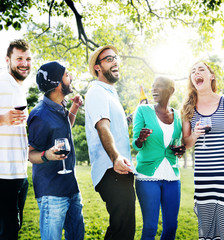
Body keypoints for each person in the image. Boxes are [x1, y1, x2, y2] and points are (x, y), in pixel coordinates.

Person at [181, 61, 224, 240]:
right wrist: (194, 135)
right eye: (193, 71)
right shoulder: (188, 108)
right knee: (207, 225)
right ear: (192, 80)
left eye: (201, 69)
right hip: (203, 174)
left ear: (211, 76)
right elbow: (186, 143)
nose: (197, 73)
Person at [27, 61, 85, 240]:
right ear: (57, 83)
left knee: (76, 236)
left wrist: (74, 107)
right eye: (67, 75)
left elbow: (63, 131)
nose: (71, 78)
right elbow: (31, 154)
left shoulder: (60, 107)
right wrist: (47, 155)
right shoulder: (40, 115)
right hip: (51, 194)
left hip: (71, 187)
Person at [85, 45, 135, 240]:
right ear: (98, 67)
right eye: (108, 59)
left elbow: (116, 126)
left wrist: (134, 115)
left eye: (116, 57)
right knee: (123, 230)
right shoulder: (97, 91)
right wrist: (115, 158)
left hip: (119, 168)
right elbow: (103, 127)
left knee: (120, 228)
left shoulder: (110, 93)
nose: (115, 61)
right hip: (111, 169)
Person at [132, 76, 184, 240]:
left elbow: (176, 144)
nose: (154, 89)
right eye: (153, 86)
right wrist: (140, 138)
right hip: (148, 176)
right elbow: (135, 145)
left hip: (172, 176)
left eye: (159, 86)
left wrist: (180, 149)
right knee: (150, 227)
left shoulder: (178, 116)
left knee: (171, 227)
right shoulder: (143, 110)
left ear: (171, 90)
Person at [0, 39, 31, 239]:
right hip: (2, 175)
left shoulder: (19, 87)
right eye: (19, 58)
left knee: (13, 230)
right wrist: (2, 118)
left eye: (28, 59)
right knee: (8, 232)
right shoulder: (1, 81)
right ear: (7, 60)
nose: (24, 63)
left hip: (19, 172)